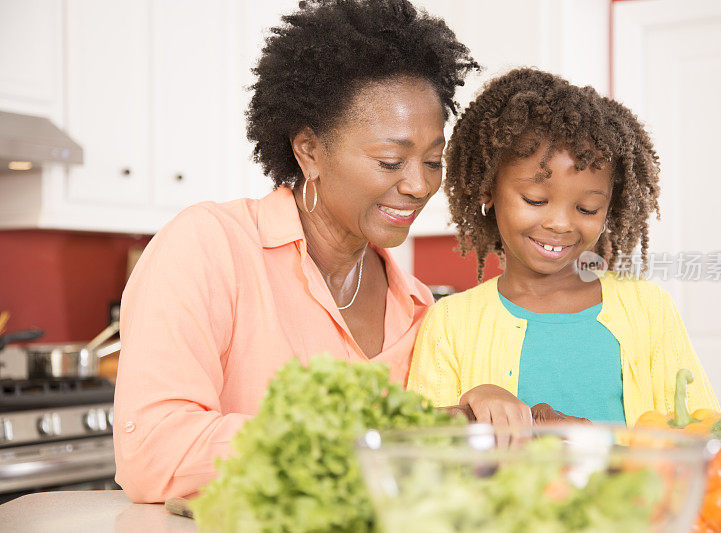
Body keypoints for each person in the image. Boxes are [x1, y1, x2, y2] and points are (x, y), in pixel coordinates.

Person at [113, 0, 477, 503]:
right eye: (390, 160)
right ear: (309, 151)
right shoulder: (210, 247)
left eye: (434, 161)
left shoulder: (416, 306)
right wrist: (362, 442)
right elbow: (156, 452)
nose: (418, 185)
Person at [407, 68, 719, 428]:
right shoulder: (450, 323)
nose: (561, 224)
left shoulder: (650, 311)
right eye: (535, 199)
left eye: (587, 208)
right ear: (488, 190)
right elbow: (420, 456)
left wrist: (593, 444)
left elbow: (702, 437)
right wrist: (471, 408)